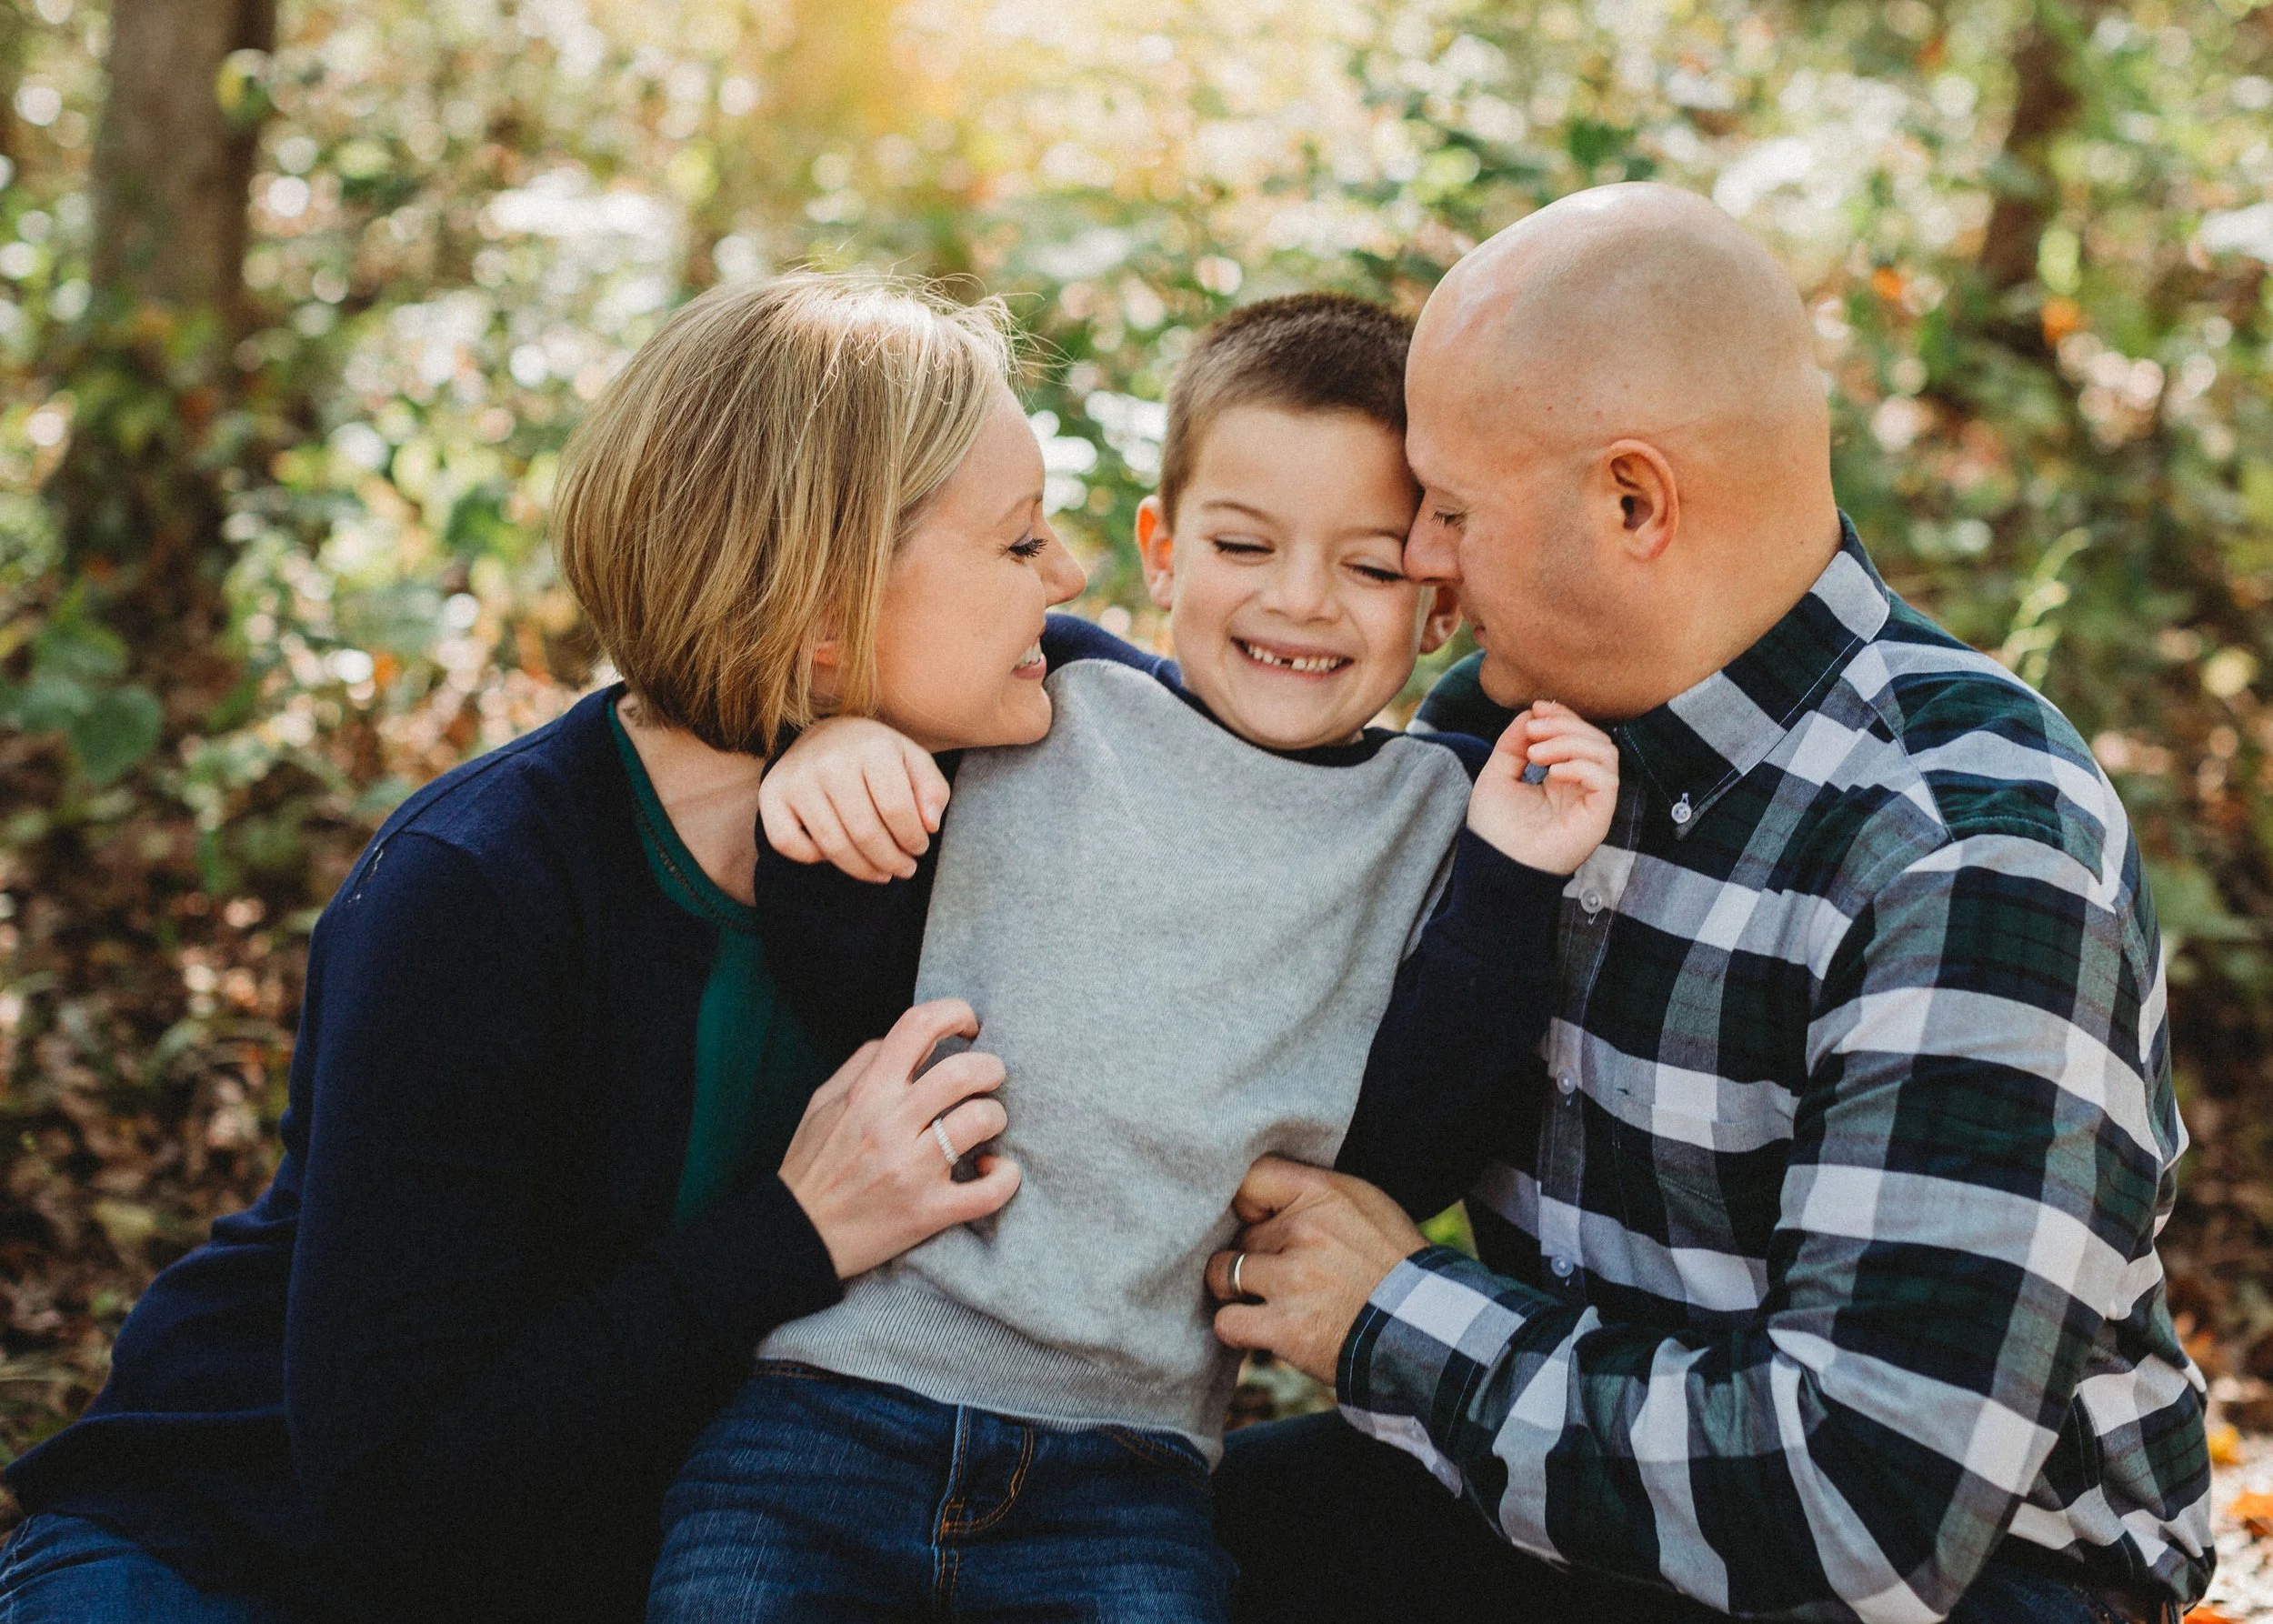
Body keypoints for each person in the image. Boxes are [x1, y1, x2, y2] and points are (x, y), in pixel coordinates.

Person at [0, 273, 1088, 1624]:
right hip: (231, 1550)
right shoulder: (472, 892)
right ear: (820, 615)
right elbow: (393, 1486)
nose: (1072, 577)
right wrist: (798, 1231)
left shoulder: (970, 748)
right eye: (1020, 542)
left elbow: (1244, 729)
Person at [1207, 185, 2215, 1624]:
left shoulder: (1969, 846)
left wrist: (1387, 1315)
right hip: (1572, 1483)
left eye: (1453, 507)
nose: (1419, 556)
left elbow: (1871, 1510)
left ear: (1633, 503)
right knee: (1142, 1551)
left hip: (1975, 1579)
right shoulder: (1496, 740)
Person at [642, 294, 1620, 1621]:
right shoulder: (1045, 702)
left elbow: (1406, 1147)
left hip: (1126, 1477)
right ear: (1162, 550)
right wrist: (834, 762)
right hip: (834, 1407)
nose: (1298, 600)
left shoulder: (1442, 820)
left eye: (1371, 567)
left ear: (1438, 599)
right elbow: (848, 984)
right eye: (1241, 542)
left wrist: (1511, 876)